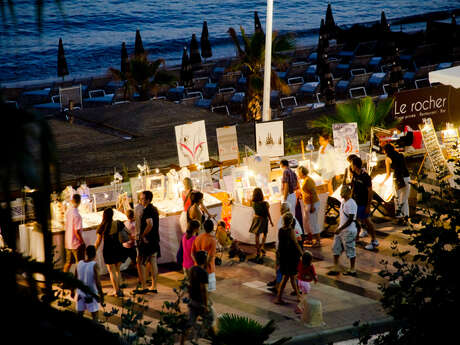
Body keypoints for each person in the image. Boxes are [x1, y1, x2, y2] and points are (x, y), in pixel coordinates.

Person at [180, 250, 215, 344]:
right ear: (205, 260)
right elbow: (203, 289)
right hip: (200, 302)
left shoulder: (192, 269)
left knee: (189, 323)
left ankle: (182, 342)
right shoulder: (203, 273)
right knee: (210, 319)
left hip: (192, 301)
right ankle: (200, 336)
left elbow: (187, 283)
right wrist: (206, 305)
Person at [327, 185, 359, 276]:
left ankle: (352, 269)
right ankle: (336, 266)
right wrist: (338, 226)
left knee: (350, 249)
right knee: (336, 247)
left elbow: (350, 219)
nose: (341, 194)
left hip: (348, 230)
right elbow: (343, 217)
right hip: (341, 229)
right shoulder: (343, 202)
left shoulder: (351, 203)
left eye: (343, 193)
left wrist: (340, 228)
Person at [95, 207, 126, 297]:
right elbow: (126, 234)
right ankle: (120, 288)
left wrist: (94, 251)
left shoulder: (102, 226)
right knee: (117, 270)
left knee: (111, 271)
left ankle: (117, 291)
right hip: (119, 248)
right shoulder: (118, 223)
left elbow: (98, 241)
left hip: (109, 250)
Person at [274, 213, 303, 305]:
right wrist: (302, 254)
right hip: (290, 256)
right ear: (291, 221)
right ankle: (279, 298)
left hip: (283, 255)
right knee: (288, 277)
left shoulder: (280, 230)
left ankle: (298, 295)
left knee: (290, 277)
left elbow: (281, 243)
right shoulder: (290, 231)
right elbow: (295, 243)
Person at [351, 157, 378, 251]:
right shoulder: (354, 174)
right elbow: (353, 188)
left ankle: (374, 240)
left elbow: (370, 191)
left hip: (363, 202)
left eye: (351, 164)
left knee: (367, 221)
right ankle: (356, 237)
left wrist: (368, 205)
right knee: (357, 220)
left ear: (355, 165)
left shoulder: (365, 176)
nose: (350, 166)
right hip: (356, 202)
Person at [137, 190, 161, 293]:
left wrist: (143, 235)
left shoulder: (147, 211)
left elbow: (150, 224)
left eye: (143, 199)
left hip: (147, 241)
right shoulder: (154, 209)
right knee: (153, 261)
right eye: (141, 199)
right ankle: (154, 286)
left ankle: (144, 286)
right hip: (155, 239)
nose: (141, 201)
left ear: (148, 199)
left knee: (141, 262)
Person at [381, 143, 410, 225]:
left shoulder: (388, 158)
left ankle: (400, 218)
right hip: (407, 177)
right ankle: (406, 218)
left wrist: (382, 182)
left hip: (398, 179)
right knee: (405, 199)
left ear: (385, 151)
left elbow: (388, 174)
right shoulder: (401, 155)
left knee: (398, 199)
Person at [74, 245, 104, 321]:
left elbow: (75, 279)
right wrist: (101, 295)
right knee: (95, 317)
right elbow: (98, 282)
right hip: (91, 295)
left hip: (80, 294)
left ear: (85, 253)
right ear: (95, 254)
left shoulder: (79, 263)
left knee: (79, 316)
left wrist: (72, 290)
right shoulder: (94, 265)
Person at [297, 166, 321, 247]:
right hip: (308, 203)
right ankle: (310, 238)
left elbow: (313, 193)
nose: (298, 174)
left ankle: (318, 241)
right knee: (308, 222)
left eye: (298, 173)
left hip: (312, 204)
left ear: (301, 173)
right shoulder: (306, 180)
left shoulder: (308, 181)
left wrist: (312, 206)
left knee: (313, 222)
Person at [248, 187, 274, 262]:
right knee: (264, 234)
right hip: (264, 219)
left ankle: (258, 250)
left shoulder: (253, 203)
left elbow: (250, 206)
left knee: (257, 235)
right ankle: (262, 246)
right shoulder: (265, 203)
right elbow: (268, 213)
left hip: (256, 219)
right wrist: (271, 221)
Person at [192, 219, 217, 292]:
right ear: (212, 228)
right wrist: (204, 266)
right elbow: (210, 256)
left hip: (197, 267)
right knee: (209, 292)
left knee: (199, 290)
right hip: (209, 269)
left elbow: (192, 254)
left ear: (203, 227)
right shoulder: (212, 240)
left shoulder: (197, 238)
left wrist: (198, 263)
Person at [63, 194, 85, 273]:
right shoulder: (77, 215)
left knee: (68, 263)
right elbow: (77, 231)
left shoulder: (69, 212)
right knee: (79, 263)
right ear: (79, 202)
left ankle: (63, 281)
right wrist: (82, 242)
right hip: (76, 243)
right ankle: (78, 280)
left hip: (68, 242)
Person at [123, 209, 141, 282]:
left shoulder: (125, 223)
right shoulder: (134, 224)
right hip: (132, 244)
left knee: (130, 261)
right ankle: (140, 276)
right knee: (136, 261)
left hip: (126, 244)